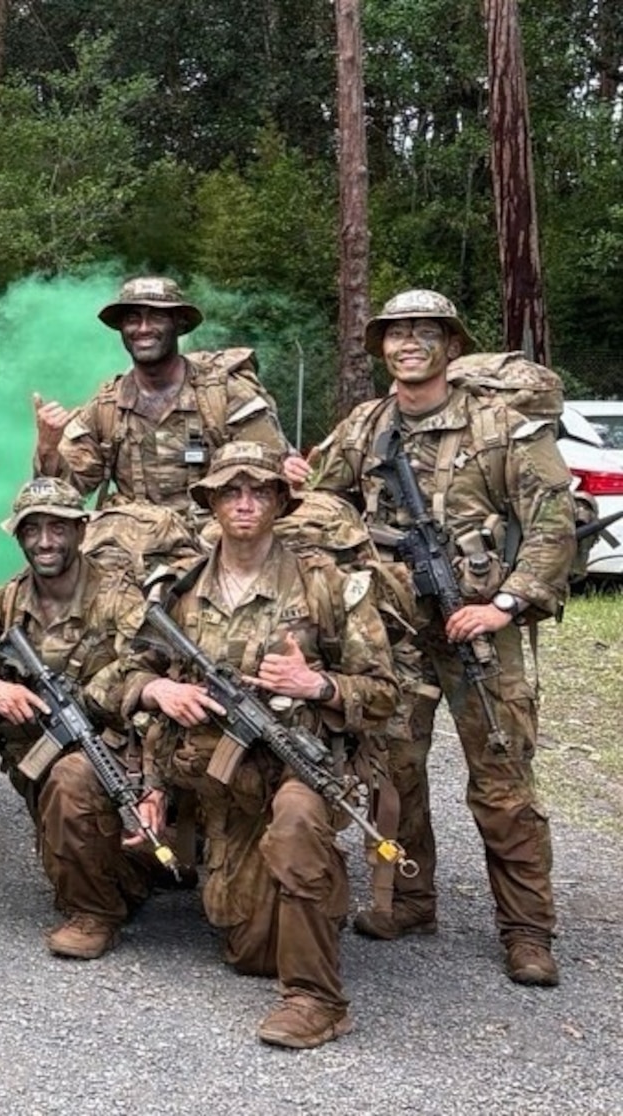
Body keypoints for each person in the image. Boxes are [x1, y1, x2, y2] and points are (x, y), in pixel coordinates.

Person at [307, 289, 576, 987]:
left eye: (425, 332)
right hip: (393, 631)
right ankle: (409, 901)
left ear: (452, 346)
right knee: (393, 772)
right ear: (381, 348)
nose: (408, 344)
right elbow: (320, 500)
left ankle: (527, 931)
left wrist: (505, 604)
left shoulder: (500, 427)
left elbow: (552, 524)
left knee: (502, 781)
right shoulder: (366, 425)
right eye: (395, 334)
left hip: (477, 627)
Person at [113, 441, 397, 1048]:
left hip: (299, 765)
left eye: (260, 491)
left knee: (296, 824)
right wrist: (159, 689)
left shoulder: (326, 585)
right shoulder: (179, 590)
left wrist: (317, 684)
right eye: (231, 492)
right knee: (252, 953)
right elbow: (123, 672)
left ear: (280, 502)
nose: (245, 503)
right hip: (217, 781)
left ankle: (317, 1000)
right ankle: (281, 889)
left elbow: (384, 693)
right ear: (211, 502)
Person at [0, 477, 157, 959]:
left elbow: (147, 667)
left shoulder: (119, 598)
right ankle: (104, 889)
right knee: (73, 850)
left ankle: (95, 913)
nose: (45, 541)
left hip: (116, 749)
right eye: (32, 529)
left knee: (77, 787)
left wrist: (88, 700)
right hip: (36, 761)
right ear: (18, 536)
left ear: (81, 531)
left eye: (58, 528)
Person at [32, 275, 302, 520]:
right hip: (131, 540)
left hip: (220, 536)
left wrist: (289, 472)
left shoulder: (224, 395)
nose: (143, 328)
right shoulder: (106, 407)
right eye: (133, 319)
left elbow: (272, 475)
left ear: (179, 324)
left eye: (157, 317)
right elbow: (61, 497)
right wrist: (47, 449)